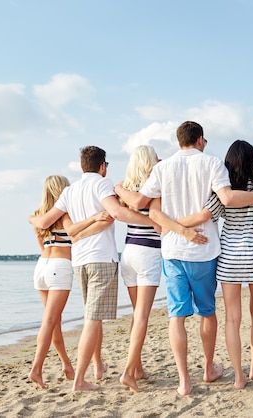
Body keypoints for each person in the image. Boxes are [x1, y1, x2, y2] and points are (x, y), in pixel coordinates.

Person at [114, 121, 253, 396]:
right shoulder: (213, 164)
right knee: (207, 313)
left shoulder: (162, 168)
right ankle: (209, 368)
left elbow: (142, 203)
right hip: (204, 251)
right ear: (200, 140)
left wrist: (118, 189)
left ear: (179, 141)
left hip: (172, 252)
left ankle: (183, 382)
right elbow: (225, 198)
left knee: (177, 317)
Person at [29, 146, 158, 392]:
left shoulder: (69, 190)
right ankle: (79, 380)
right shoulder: (102, 184)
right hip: (101, 259)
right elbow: (118, 212)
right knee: (92, 319)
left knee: (93, 318)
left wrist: (31, 219)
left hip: (79, 262)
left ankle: (100, 369)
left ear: (82, 166)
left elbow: (48, 223)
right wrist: (154, 222)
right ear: (102, 166)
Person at [194, 140, 253, 389]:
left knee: (232, 319)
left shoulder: (225, 190)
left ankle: (238, 376)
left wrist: (174, 225)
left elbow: (205, 215)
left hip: (230, 259)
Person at [27, 175, 113, 390]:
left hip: (41, 267)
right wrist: (94, 219)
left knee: (54, 320)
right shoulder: (65, 214)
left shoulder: (38, 216)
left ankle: (66, 364)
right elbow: (74, 235)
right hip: (59, 267)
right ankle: (36, 369)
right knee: (50, 321)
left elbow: (40, 243)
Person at [117, 145, 162, 393]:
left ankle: (138, 368)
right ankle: (127, 372)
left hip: (128, 252)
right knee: (142, 316)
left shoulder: (126, 189)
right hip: (148, 253)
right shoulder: (154, 186)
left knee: (137, 315)